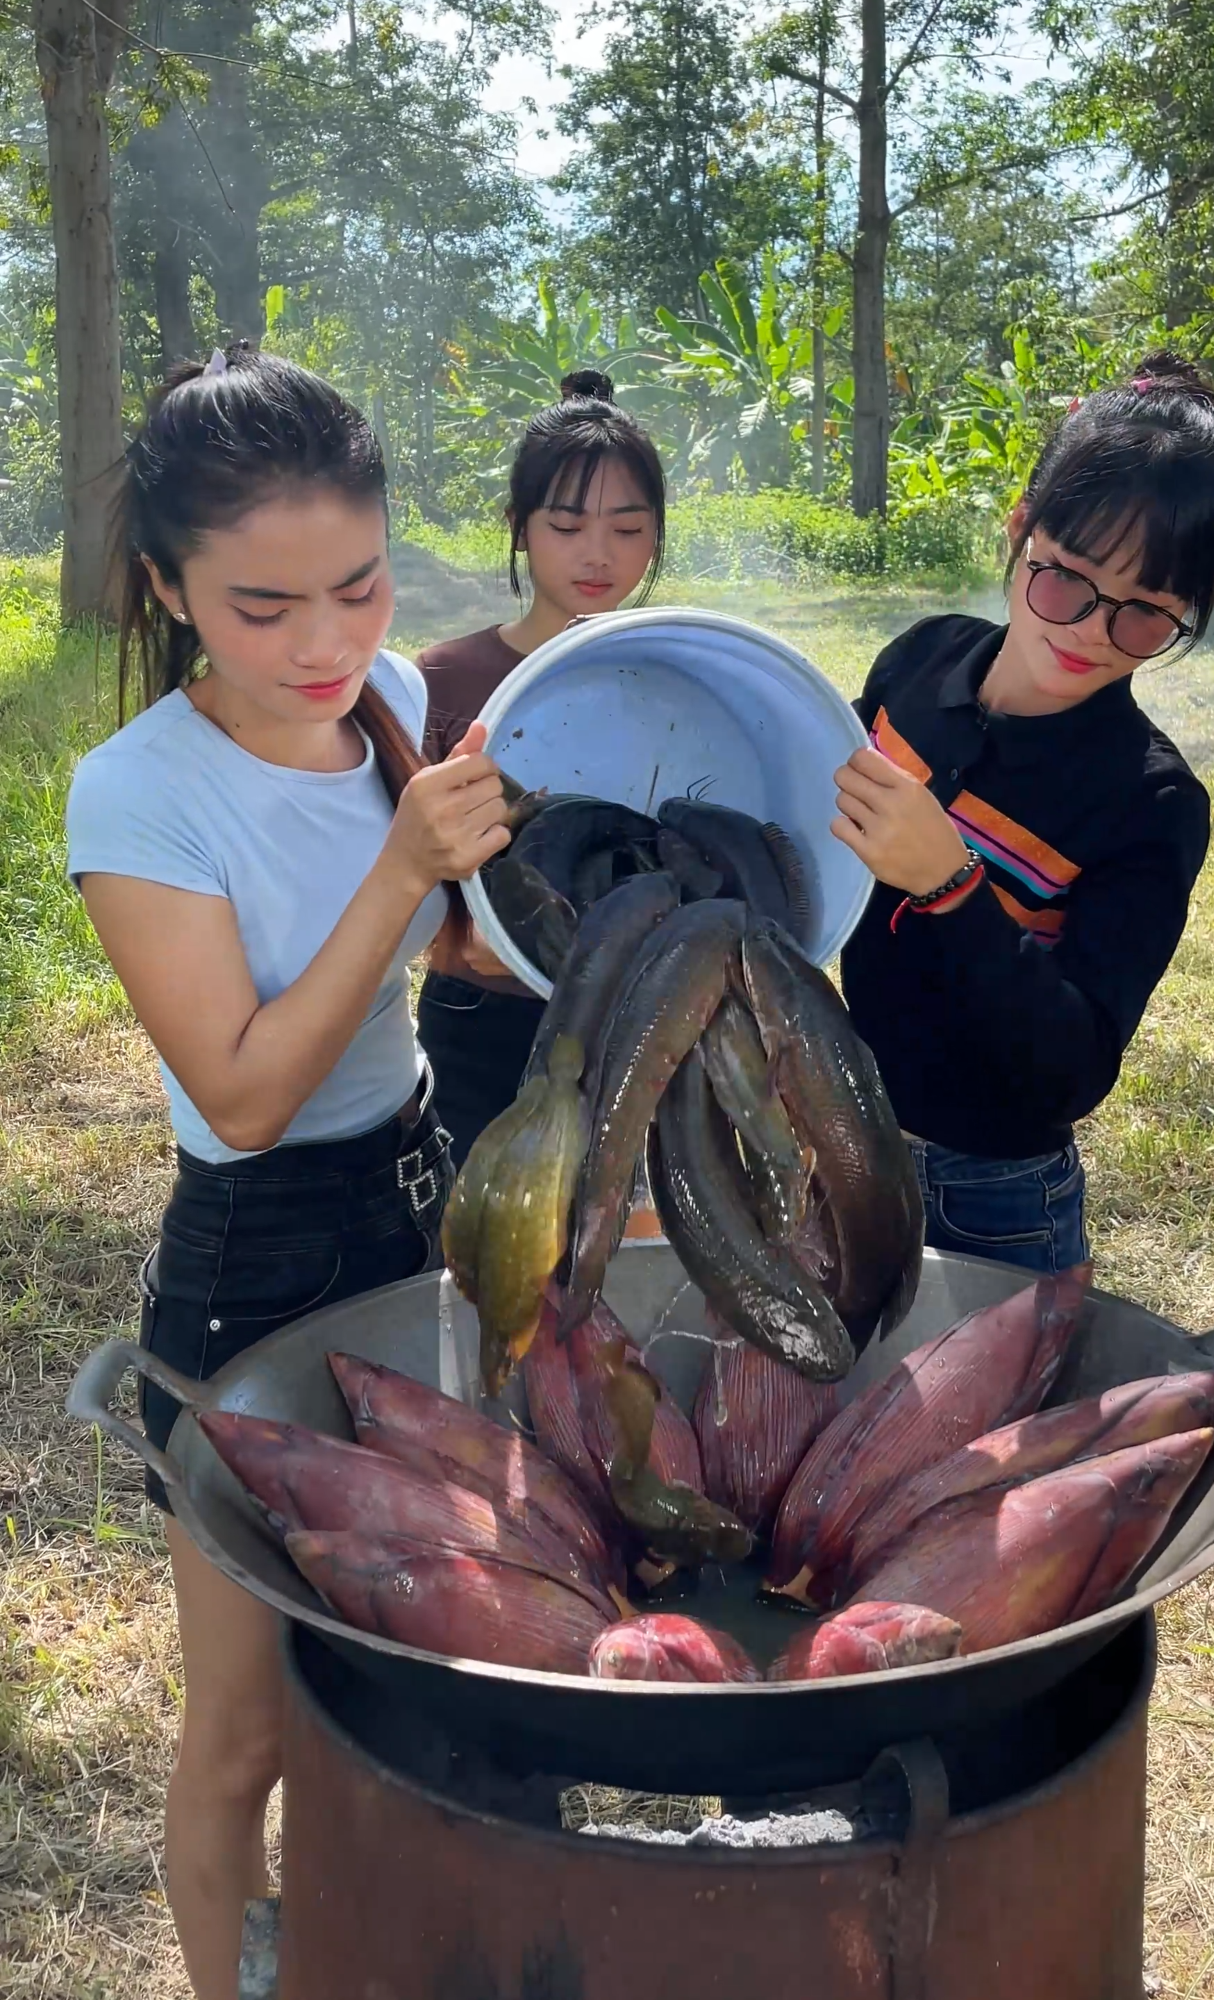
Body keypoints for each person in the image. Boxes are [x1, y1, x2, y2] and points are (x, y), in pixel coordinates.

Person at [65, 346, 511, 2000]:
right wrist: (404, 873)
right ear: (172, 588)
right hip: (254, 1248)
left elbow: (433, 967)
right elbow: (243, 1093)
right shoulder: (140, 795)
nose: (327, 643)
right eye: (263, 609)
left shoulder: (385, 711)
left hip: (417, 1208)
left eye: (362, 585)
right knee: (245, 1726)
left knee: (420, 1656)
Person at [832, 351, 1214, 1275]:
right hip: (842, 1131)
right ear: (1022, 530)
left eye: (1146, 615)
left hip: (991, 1192)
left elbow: (1072, 1067)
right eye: (1067, 579)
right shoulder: (920, 664)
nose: (1088, 633)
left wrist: (950, 884)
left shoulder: (1149, 803)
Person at [416, 369, 668, 1166]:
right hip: (480, 1022)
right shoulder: (442, 681)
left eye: (628, 530)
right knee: (486, 1259)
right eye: (566, 526)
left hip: (637, 1022)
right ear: (519, 526)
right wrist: (461, 943)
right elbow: (399, 883)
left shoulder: (684, 680)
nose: (599, 555)